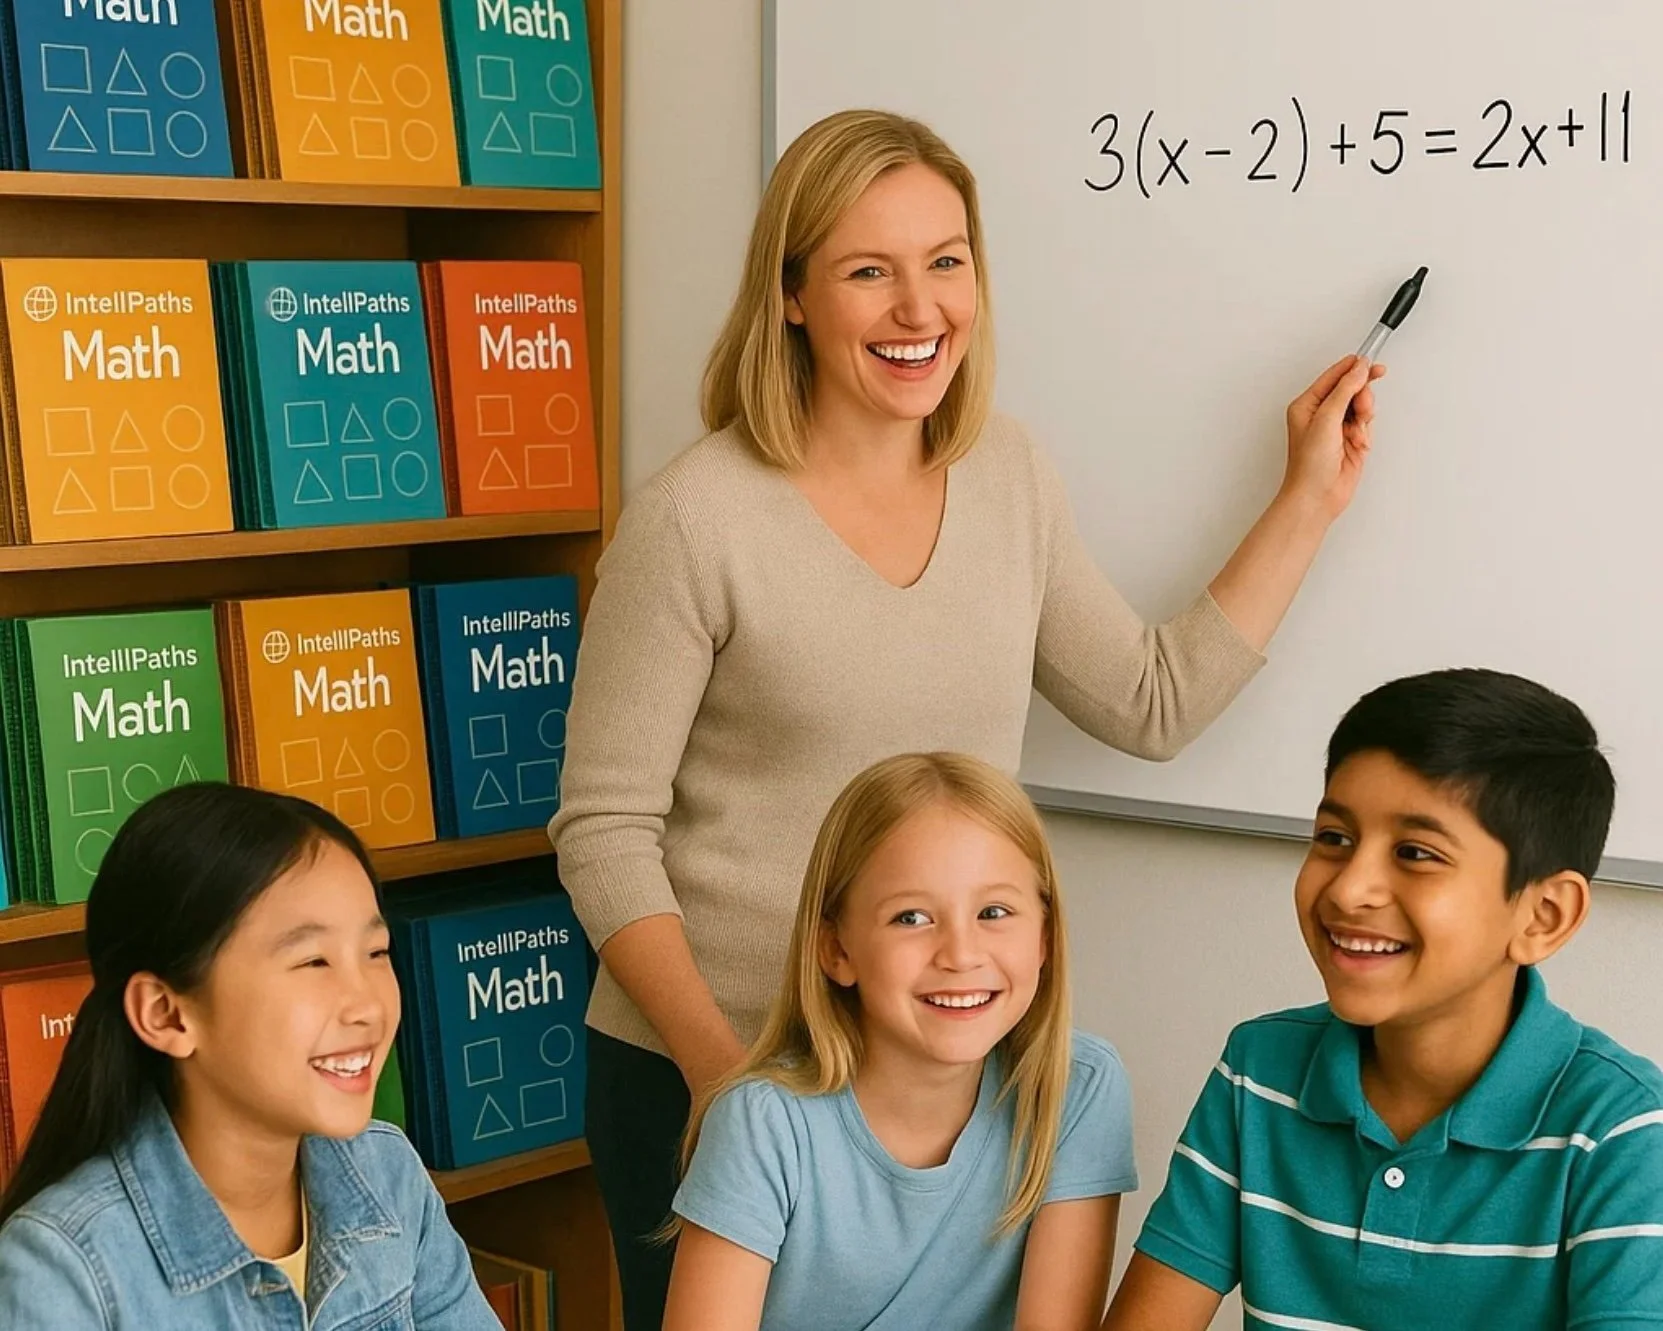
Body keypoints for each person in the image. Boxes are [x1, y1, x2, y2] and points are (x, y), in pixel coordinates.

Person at [549, 107, 1386, 1327]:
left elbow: (1150, 701)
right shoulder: (694, 519)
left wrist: (1307, 499)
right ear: (790, 295)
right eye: (867, 271)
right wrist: (725, 1077)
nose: (918, 308)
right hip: (713, 1062)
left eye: (946, 262)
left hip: (927, 1064)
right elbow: (603, 830)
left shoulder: (1009, 477)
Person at [1103, 669, 1663, 1330]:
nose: (1348, 889)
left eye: (1415, 852)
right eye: (1334, 839)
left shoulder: (1622, 1128)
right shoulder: (1259, 1069)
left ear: (1541, 916)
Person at [0, 783, 499, 1331]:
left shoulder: (387, 1172)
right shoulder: (58, 1269)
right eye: (313, 962)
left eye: (376, 952)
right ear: (166, 1015)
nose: (368, 1007)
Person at [663, 752, 1135, 1331]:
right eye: (911, 918)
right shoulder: (762, 1123)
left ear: (1044, 937)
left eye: (994, 911)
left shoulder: (1078, 1085)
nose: (960, 955)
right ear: (837, 950)